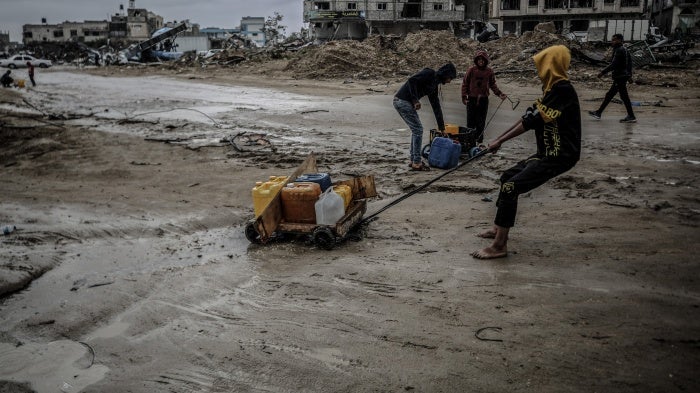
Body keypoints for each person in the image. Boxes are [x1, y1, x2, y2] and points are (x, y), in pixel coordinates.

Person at [472, 45, 581, 259]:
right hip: (546, 153)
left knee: (512, 187)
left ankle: (499, 246)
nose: (538, 70)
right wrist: (497, 140)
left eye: (541, 65)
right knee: (507, 178)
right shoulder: (550, 89)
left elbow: (532, 122)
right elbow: (527, 117)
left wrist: (500, 140)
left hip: (560, 156)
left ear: (551, 65)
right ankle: (498, 229)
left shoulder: (563, 90)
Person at [393, 63, 457, 171]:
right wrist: (415, 100)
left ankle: (414, 159)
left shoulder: (434, 86)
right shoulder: (429, 73)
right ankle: (416, 162)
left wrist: (442, 128)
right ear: (446, 74)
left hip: (404, 102)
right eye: (450, 78)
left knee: (416, 130)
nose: (449, 81)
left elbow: (436, 106)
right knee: (418, 130)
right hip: (402, 101)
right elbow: (411, 81)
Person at [461, 50, 507, 143]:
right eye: (479, 59)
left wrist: (499, 93)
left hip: (483, 101)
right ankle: (470, 142)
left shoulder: (489, 71)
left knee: (481, 123)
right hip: (471, 100)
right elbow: (465, 83)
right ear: (476, 60)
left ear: (486, 61)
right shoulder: (471, 70)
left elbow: (492, 84)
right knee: (470, 122)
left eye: (483, 60)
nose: (481, 61)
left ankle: (479, 141)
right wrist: (464, 97)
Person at [588, 33, 636, 123]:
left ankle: (631, 116)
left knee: (622, 97)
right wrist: (629, 75)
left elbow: (614, 64)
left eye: (614, 40)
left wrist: (602, 72)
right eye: (612, 40)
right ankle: (598, 113)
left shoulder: (619, 50)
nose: (612, 41)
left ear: (620, 40)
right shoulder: (625, 49)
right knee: (610, 95)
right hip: (622, 76)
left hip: (620, 77)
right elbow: (629, 64)